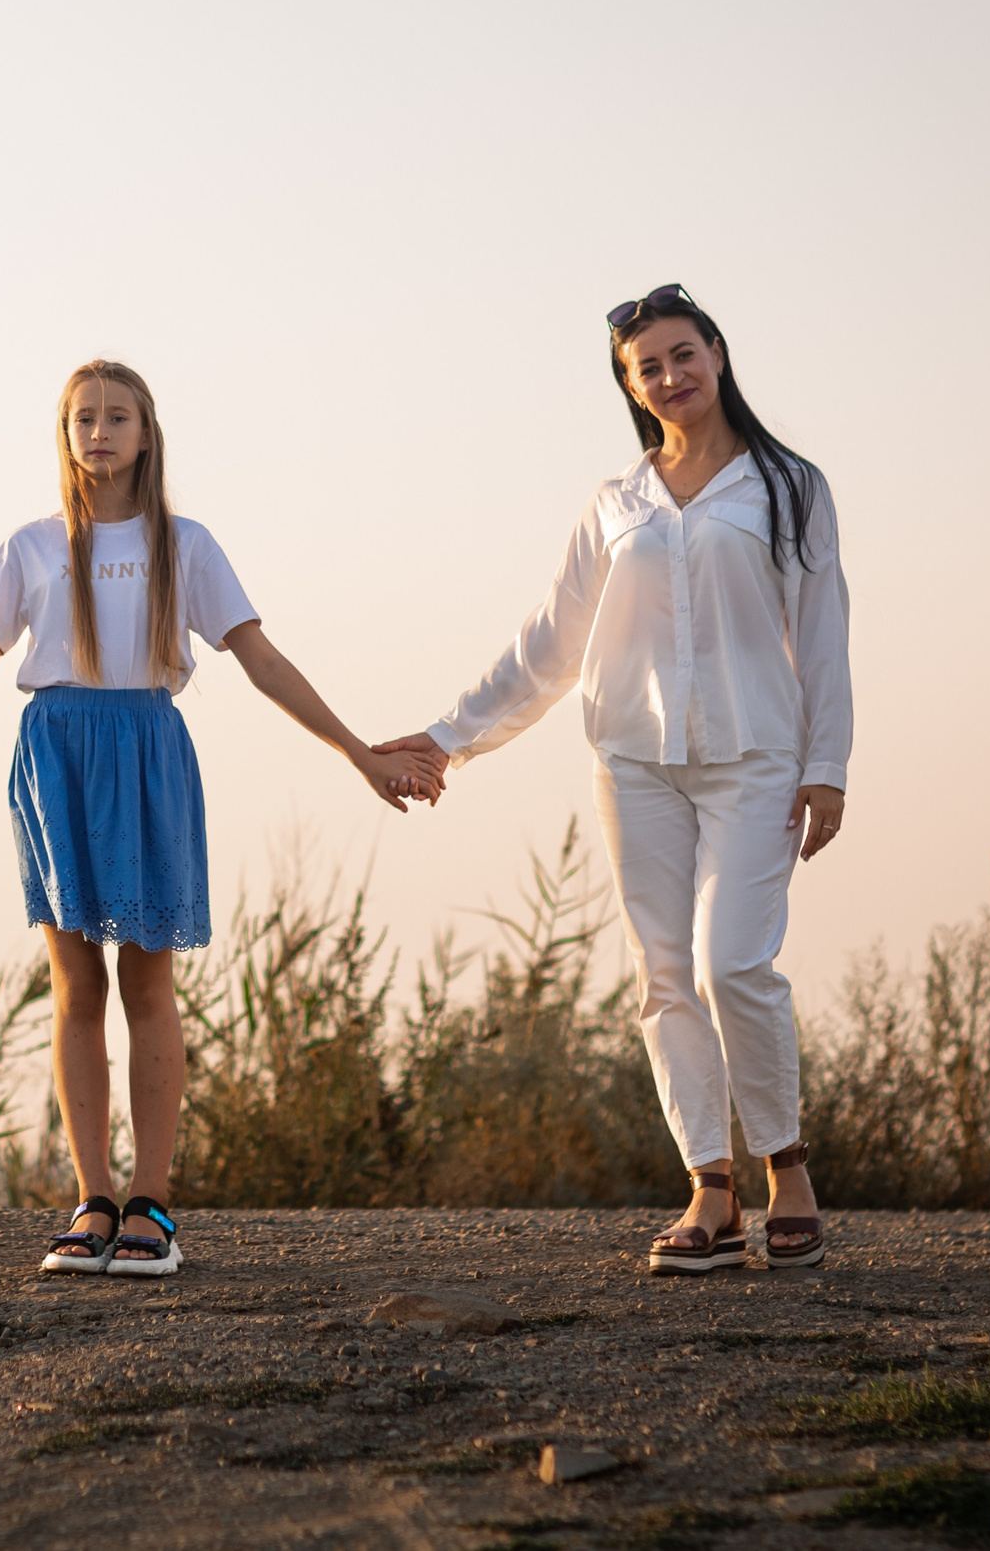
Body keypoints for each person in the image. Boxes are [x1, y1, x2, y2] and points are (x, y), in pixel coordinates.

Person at [0, 361, 439, 1275]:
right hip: (55, 754)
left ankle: (152, 1206)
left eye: (118, 417)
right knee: (76, 989)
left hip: (149, 752)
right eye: (83, 419)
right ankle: (91, 1201)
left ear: (147, 433)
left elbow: (261, 660)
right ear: (65, 435)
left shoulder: (186, 545)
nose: (100, 432)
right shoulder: (29, 547)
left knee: (147, 986)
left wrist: (360, 753)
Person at [374, 284, 851, 1274]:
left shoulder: (789, 484)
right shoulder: (615, 503)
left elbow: (823, 631)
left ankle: (787, 1168)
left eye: (683, 354)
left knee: (734, 965)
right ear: (629, 386)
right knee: (664, 975)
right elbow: (549, 645)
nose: (670, 376)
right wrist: (443, 738)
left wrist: (826, 764)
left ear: (717, 353)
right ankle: (709, 1191)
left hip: (756, 760)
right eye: (648, 367)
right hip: (634, 766)